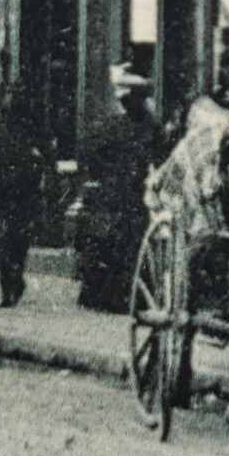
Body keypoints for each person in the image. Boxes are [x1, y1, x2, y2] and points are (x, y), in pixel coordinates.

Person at [77, 66, 159, 313]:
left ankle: (119, 296)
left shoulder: (129, 126)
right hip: (124, 193)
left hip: (129, 193)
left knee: (124, 245)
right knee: (121, 245)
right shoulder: (136, 126)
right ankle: (121, 296)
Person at [0, 81, 46, 308]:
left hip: (17, 189)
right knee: (9, 237)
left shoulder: (24, 125)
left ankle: (12, 282)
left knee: (14, 237)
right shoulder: (0, 124)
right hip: (7, 190)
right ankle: (10, 284)